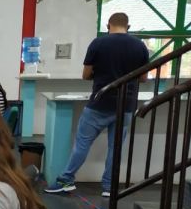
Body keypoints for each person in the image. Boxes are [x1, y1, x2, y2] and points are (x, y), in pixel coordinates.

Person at [46, 12, 149, 198]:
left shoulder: (98, 43)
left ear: (108, 25)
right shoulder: (140, 46)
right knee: (115, 147)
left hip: (100, 103)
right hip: (126, 104)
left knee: (82, 144)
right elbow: (143, 78)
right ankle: (109, 187)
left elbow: (85, 75)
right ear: (129, 26)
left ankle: (66, 180)